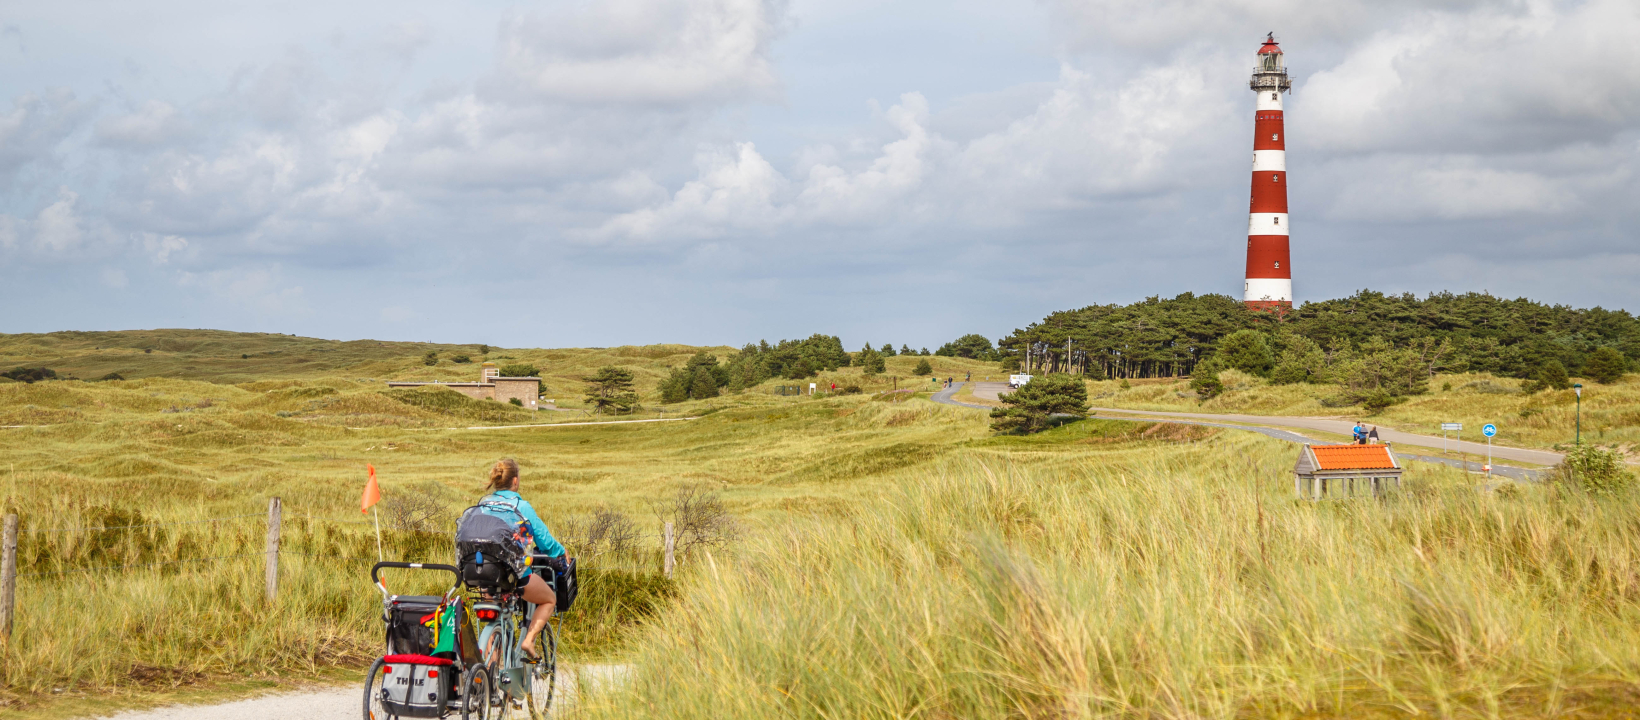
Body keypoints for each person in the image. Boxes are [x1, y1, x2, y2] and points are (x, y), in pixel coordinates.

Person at [476, 458, 565, 659]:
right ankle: (529, 640)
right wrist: (561, 552)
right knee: (549, 600)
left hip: (483, 575)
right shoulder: (521, 506)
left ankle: (489, 676)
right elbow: (544, 541)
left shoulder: (482, 505)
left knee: (495, 619)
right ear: (515, 481)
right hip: (513, 576)